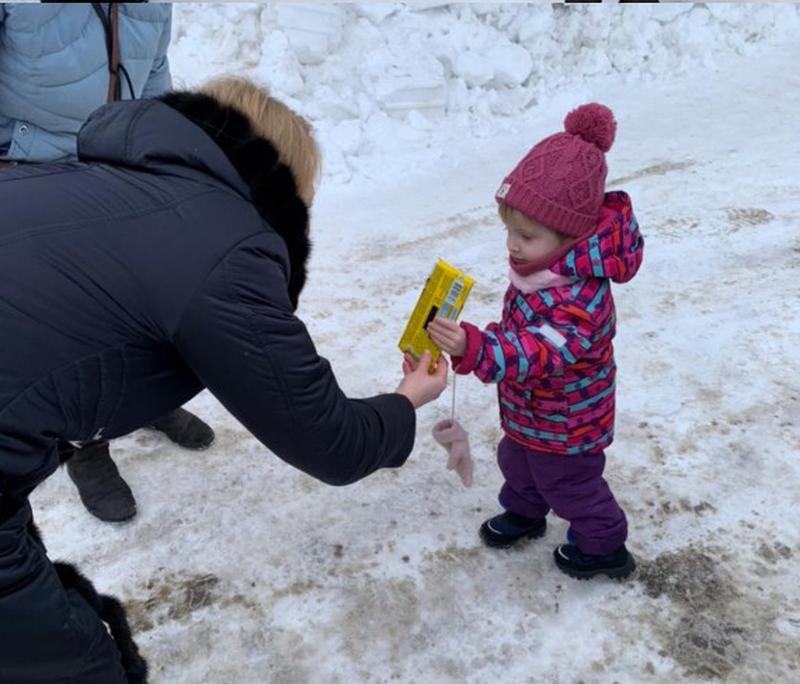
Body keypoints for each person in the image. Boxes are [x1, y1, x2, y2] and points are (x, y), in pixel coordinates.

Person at [0, 75, 447, 682]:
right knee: (76, 666)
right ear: (284, 182)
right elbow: (331, 441)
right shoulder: (226, 245)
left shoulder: (87, 181)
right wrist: (406, 400)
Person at [0, 1, 216, 523]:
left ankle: (145, 400)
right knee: (68, 323)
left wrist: (162, 150)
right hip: (35, 176)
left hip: (121, 167)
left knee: (144, 296)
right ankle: (85, 443)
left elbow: (155, 70)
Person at [428, 103, 644, 580]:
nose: (512, 244)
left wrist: (476, 348)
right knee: (516, 460)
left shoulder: (580, 299)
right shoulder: (540, 274)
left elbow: (538, 351)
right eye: (510, 230)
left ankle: (604, 545)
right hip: (532, 414)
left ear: (570, 237)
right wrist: (475, 343)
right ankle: (526, 513)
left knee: (569, 485)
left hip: (569, 424)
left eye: (526, 235)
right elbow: (519, 334)